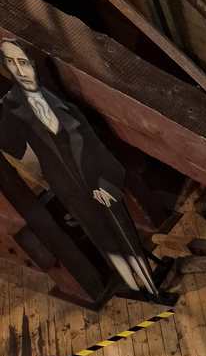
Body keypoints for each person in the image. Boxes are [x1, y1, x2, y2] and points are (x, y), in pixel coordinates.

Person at [0, 37, 159, 296]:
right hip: (66, 185)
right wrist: (6, 111)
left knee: (122, 227)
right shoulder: (14, 107)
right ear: (7, 70)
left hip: (96, 173)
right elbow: (12, 146)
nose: (21, 70)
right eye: (12, 65)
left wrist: (107, 180)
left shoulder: (52, 89)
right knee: (100, 234)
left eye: (23, 62)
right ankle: (133, 285)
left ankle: (150, 286)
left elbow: (90, 138)